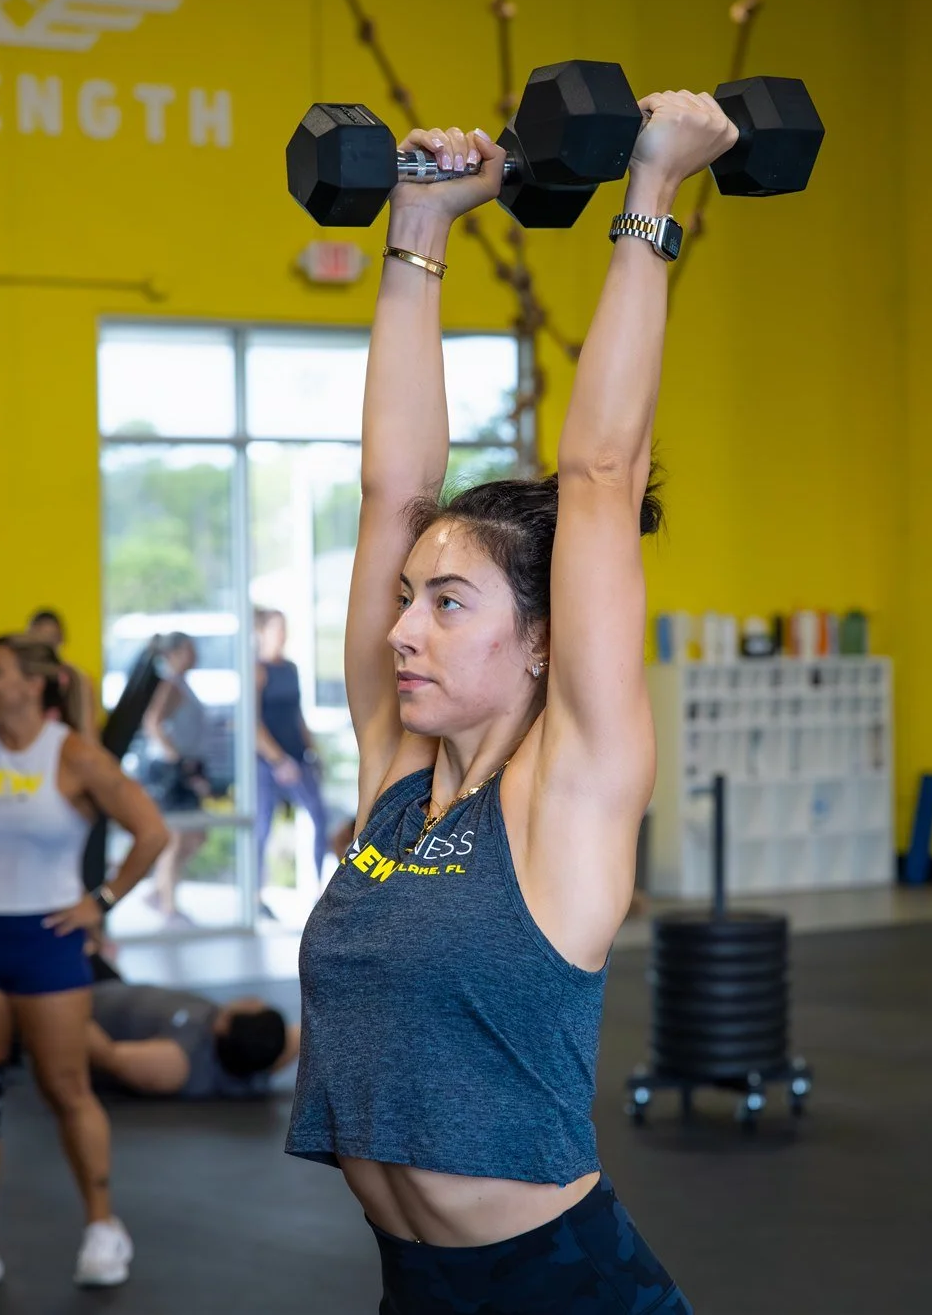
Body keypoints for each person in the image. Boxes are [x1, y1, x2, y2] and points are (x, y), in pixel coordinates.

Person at [285, 97, 724, 1313]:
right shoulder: (394, 778)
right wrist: (417, 227)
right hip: (413, 1288)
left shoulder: (569, 793)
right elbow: (393, 492)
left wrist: (653, 188)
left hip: (561, 1291)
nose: (397, 629)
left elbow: (597, 477)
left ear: (542, 641)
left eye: (447, 605)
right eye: (406, 600)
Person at [0, 634, 171, 1295]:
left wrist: (103, 902)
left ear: (34, 685)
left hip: (47, 938)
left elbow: (152, 832)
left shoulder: (74, 756)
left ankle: (103, 1226)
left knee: (66, 1089)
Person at [83, 955, 300, 1101]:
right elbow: (307, 1032)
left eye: (254, 1006)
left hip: (83, 999)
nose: (254, 999)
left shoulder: (176, 1064)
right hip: (111, 985)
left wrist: (62, 1009)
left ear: (223, 1027)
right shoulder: (269, 1051)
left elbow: (105, 1054)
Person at [253, 607, 335, 887]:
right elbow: (252, 725)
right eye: (276, 629)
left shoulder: (289, 669)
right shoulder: (257, 671)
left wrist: (312, 752)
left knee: (319, 817)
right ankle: (255, 895)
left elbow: (297, 715)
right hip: (267, 763)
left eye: (284, 628)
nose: (282, 635)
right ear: (261, 633)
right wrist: (278, 760)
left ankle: (320, 886)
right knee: (262, 826)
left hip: (298, 756)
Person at [138, 631, 210, 924]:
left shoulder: (180, 685)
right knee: (176, 837)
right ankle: (167, 904)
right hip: (171, 772)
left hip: (185, 768)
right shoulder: (169, 685)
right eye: (191, 649)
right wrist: (177, 760)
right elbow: (153, 723)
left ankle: (159, 890)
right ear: (178, 652)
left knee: (196, 835)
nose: (196, 654)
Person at [25, 607, 98, 733]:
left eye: (51, 639)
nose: (46, 647)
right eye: (39, 639)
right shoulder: (23, 678)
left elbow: (87, 727)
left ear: (61, 639)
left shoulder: (77, 678)